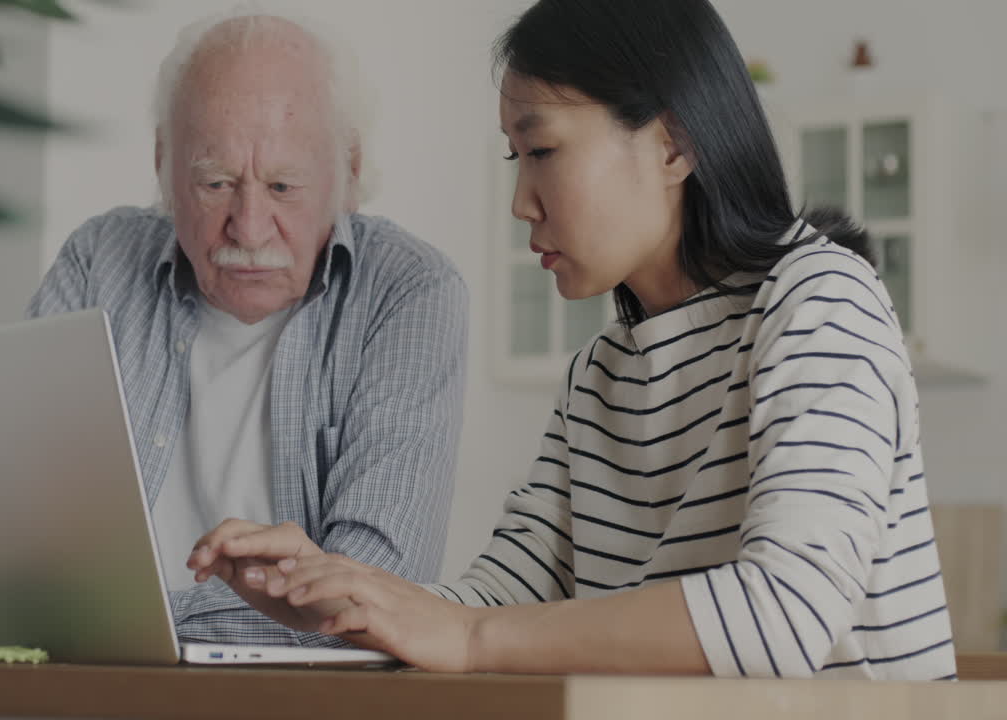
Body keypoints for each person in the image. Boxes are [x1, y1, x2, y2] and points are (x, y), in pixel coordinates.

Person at [186, 0, 956, 679]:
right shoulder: (601, 375)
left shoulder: (821, 300)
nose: (520, 201)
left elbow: (785, 609)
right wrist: (329, 595)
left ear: (673, 143)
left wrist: (472, 636)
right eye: (514, 159)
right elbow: (487, 601)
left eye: (544, 150)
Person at [29, 12, 468, 645]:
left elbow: (368, 603)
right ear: (163, 164)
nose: (250, 227)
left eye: (283, 186)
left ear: (348, 170)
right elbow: (20, 549)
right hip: (86, 695)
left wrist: (123, 627)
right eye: (215, 183)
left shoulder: (409, 291)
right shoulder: (99, 259)